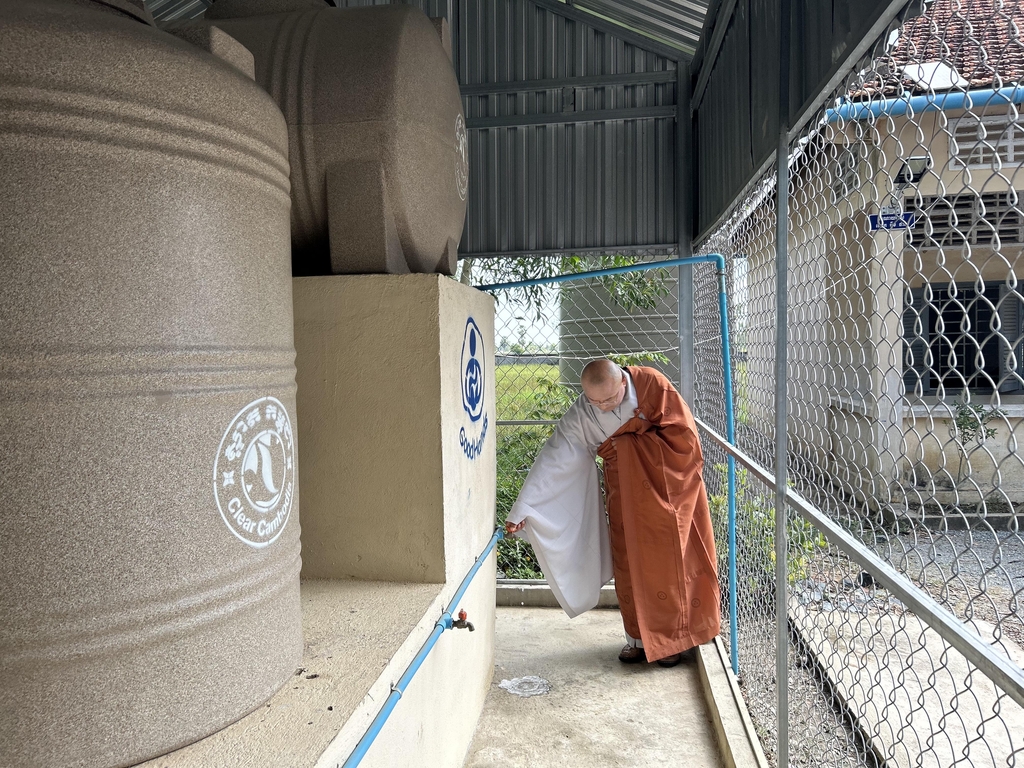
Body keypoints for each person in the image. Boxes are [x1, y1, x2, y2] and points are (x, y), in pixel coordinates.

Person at [505, 359, 720, 666]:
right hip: (623, 495)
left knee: (667, 564)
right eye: (595, 401)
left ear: (623, 382)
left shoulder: (652, 386)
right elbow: (556, 456)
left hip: (665, 492)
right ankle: (637, 640)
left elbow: (685, 439)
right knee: (629, 564)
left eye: (609, 399)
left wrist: (629, 444)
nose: (602, 407)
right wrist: (524, 507)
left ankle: (671, 642)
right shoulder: (584, 411)